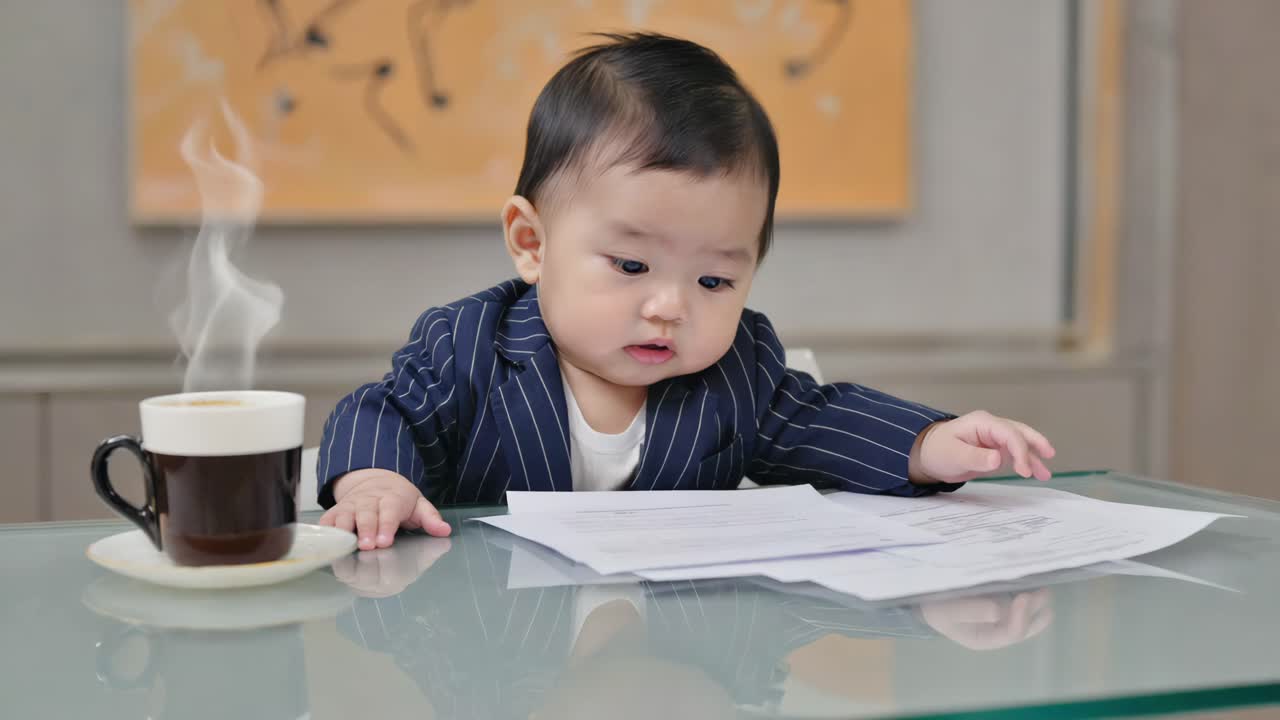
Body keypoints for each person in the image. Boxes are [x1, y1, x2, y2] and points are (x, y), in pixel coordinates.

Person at [316, 33, 1055, 551]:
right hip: (507, 658)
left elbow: (823, 422)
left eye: (714, 280)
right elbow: (384, 411)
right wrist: (376, 481)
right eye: (631, 266)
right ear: (532, 243)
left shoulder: (736, 373)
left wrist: (932, 445)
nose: (672, 306)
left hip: (673, 662)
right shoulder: (467, 345)